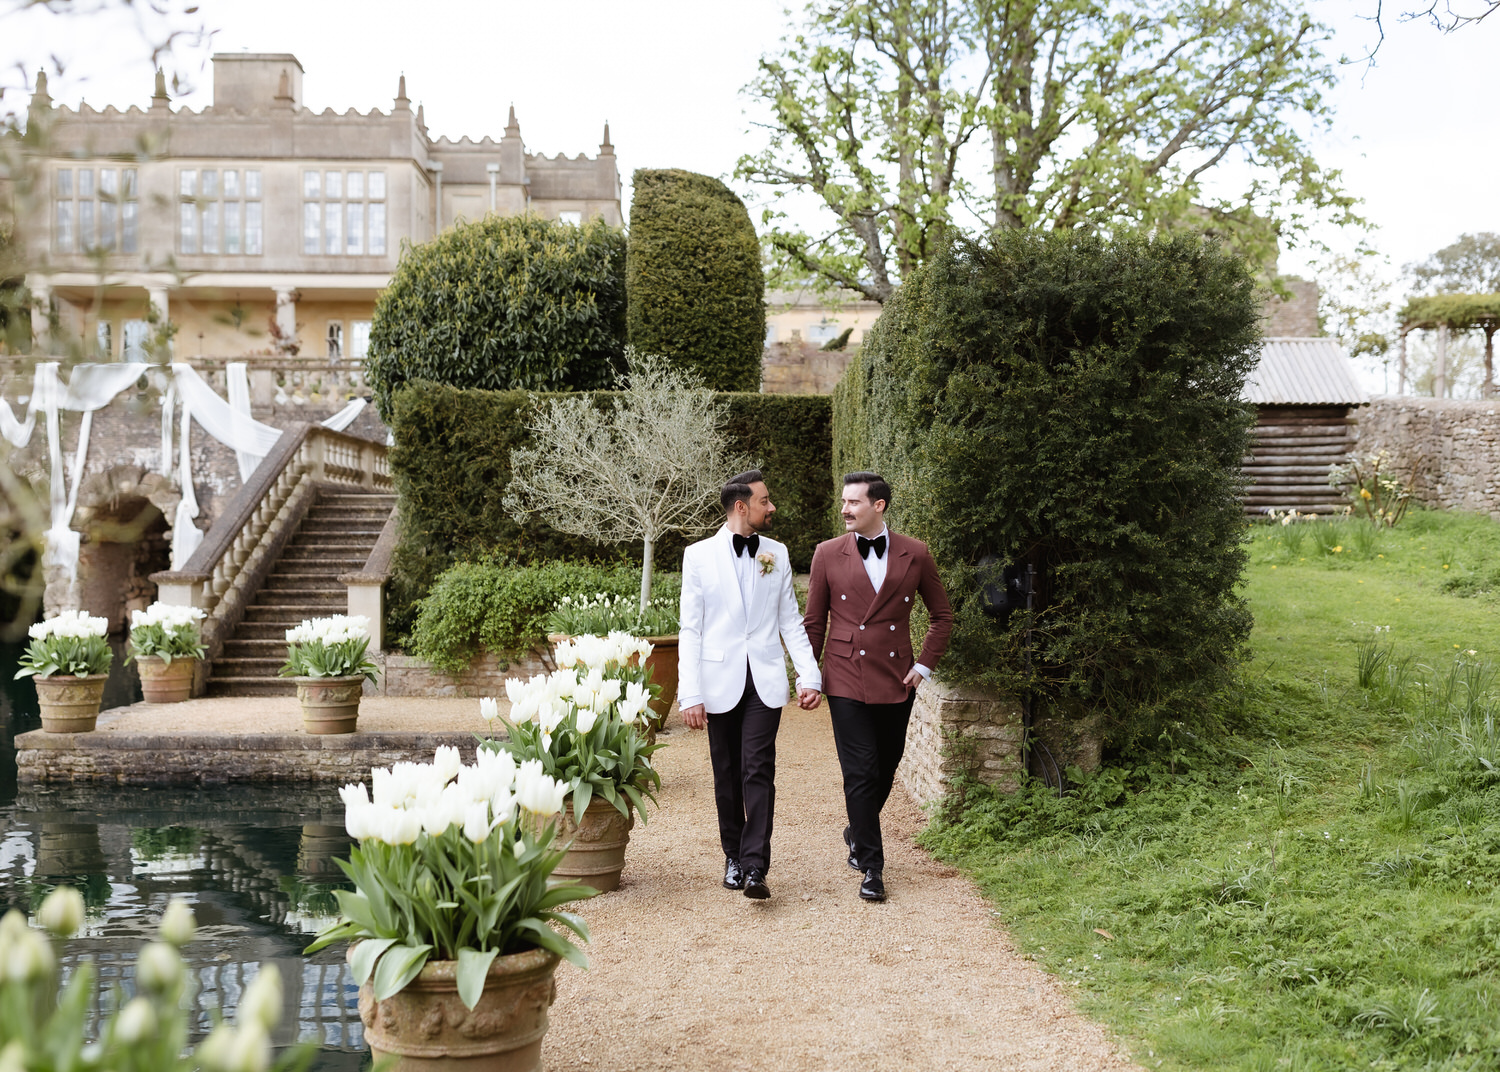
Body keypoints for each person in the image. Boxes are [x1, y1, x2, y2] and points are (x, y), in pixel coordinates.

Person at [803, 471, 952, 902]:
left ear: (879, 505)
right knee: (860, 770)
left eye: (854, 502)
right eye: (844, 502)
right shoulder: (827, 553)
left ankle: (856, 828)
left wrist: (924, 665)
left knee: (886, 765)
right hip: (845, 674)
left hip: (897, 675)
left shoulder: (915, 553)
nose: (845, 509)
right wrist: (809, 676)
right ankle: (871, 866)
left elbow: (942, 616)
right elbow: (814, 622)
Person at [678, 470, 823, 900]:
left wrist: (809, 675)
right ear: (741, 507)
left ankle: (756, 865)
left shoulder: (776, 553)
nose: (771, 507)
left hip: (764, 680)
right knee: (726, 772)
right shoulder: (698, 556)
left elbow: (790, 621)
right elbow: (691, 628)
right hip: (717, 680)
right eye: (765, 501)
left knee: (758, 768)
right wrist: (690, 692)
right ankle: (734, 857)